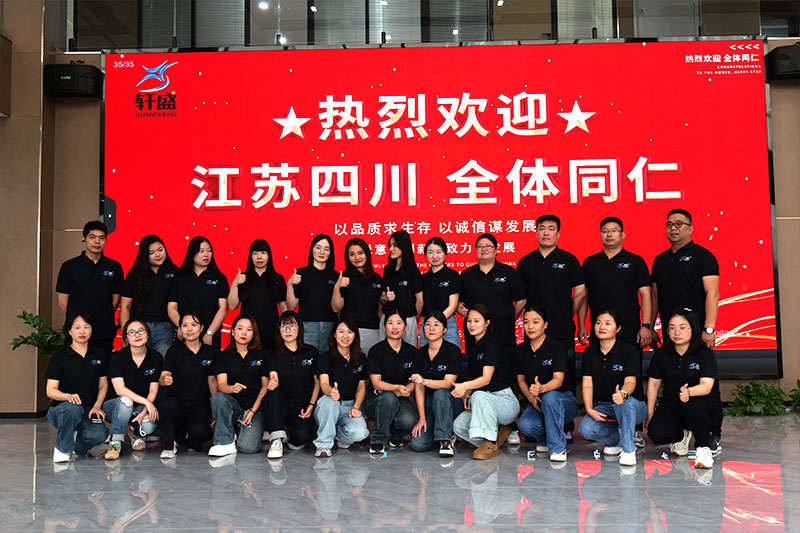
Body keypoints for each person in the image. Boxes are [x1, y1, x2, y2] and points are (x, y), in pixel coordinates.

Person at [651, 208, 722, 452]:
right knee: (674, 382)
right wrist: (650, 325)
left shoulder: (703, 256)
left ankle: (712, 433)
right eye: (669, 224)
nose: (674, 228)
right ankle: (682, 430)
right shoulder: (660, 260)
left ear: (690, 228)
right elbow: (655, 297)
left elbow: (712, 293)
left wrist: (709, 328)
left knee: (707, 383)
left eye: (679, 224)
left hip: (698, 333)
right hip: (673, 334)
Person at [579, 217, 653, 448]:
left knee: (632, 380)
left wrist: (647, 325)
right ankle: (611, 424)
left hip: (630, 331)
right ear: (600, 235)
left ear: (623, 234)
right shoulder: (590, 263)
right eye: (605, 231)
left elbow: (646, 295)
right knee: (601, 376)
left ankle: (635, 431)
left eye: (614, 231)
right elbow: (584, 296)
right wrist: (581, 324)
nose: (609, 235)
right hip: (600, 330)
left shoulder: (635, 261)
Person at [646, 309, 718, 469]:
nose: (677, 332)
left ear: (693, 329)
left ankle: (703, 448)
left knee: (695, 406)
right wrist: (650, 415)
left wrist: (690, 392)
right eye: (672, 328)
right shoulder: (661, 354)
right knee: (656, 433)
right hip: (671, 403)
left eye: (682, 327)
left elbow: (707, 386)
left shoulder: (704, 353)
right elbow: (653, 384)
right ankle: (681, 436)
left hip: (698, 403)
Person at [578, 310, 648, 466]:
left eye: (608, 323)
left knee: (624, 403)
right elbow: (587, 384)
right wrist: (589, 409)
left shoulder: (628, 351)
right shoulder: (590, 352)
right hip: (606, 406)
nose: (602, 327)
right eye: (598, 323)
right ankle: (617, 440)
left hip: (633, 405)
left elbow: (630, 381)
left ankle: (628, 450)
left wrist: (623, 394)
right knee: (586, 428)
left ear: (618, 328)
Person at [452, 305, 520, 460]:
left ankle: (489, 442)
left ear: (487, 323)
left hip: (504, 402)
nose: (472, 325)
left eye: (477, 321)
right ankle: (495, 440)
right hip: (486, 401)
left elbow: (486, 379)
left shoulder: (491, 344)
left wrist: (464, 386)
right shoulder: (474, 347)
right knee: (459, 426)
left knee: (479, 396)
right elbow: (476, 380)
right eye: (469, 321)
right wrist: (466, 393)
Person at [515, 306, 577, 462]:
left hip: (563, 400)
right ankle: (545, 441)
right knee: (526, 425)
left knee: (550, 397)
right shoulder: (521, 349)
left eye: (536, 322)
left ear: (545, 325)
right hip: (538, 401)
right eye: (526, 322)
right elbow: (521, 379)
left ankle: (558, 449)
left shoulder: (556, 347)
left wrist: (542, 388)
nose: (530, 326)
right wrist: (531, 398)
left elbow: (558, 380)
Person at [45, 313, 109, 462]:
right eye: (77, 327)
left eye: (86, 327)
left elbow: (103, 384)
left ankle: (76, 445)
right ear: (69, 331)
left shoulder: (99, 354)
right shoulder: (59, 356)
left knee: (99, 436)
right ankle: (62, 449)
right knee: (73, 409)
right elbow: (50, 390)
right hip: (62, 409)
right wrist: (67, 396)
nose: (82, 331)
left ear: (91, 330)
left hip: (88, 409)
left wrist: (97, 405)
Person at [56, 220, 124, 357]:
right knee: (75, 365)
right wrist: (78, 322)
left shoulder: (114, 267)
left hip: (104, 329)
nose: (97, 242)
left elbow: (116, 299)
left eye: (101, 238)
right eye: (92, 237)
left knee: (103, 366)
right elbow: (63, 301)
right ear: (84, 238)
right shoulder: (69, 267)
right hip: (77, 331)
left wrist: (102, 314)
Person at [158, 312, 218, 459]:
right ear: (180, 329)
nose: (189, 329)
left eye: (194, 325)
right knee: (168, 404)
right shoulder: (173, 351)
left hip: (200, 404)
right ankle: (169, 445)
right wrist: (164, 380)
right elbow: (163, 376)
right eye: (185, 325)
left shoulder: (210, 352)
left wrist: (215, 408)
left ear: (201, 328)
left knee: (199, 434)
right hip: (178, 404)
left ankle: (186, 437)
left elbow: (212, 380)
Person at [263, 311, 321, 458]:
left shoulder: (311, 352)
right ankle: (276, 440)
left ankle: (288, 433)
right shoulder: (273, 354)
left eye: (291, 326)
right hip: (280, 407)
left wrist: (311, 405)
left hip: (302, 408)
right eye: (283, 327)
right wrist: (272, 382)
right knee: (272, 394)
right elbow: (273, 377)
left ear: (299, 328)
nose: (287, 330)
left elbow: (317, 382)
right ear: (279, 331)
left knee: (302, 439)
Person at [208, 315, 268, 457]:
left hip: (255, 408)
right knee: (218, 397)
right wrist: (232, 388)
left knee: (247, 448)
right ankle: (225, 442)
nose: (244, 333)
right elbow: (221, 385)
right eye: (240, 329)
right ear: (233, 332)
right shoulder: (224, 355)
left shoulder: (261, 354)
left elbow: (265, 386)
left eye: (249, 330)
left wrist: (252, 411)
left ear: (253, 334)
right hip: (233, 407)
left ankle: (246, 431)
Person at [102, 319, 162, 460]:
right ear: (126, 338)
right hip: (116, 406)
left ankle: (135, 435)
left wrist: (144, 411)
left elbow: (153, 390)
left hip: (139, 407)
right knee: (126, 401)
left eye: (141, 331)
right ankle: (115, 441)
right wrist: (147, 403)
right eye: (132, 332)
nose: (137, 335)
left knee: (149, 426)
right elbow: (120, 390)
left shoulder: (155, 357)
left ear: (148, 334)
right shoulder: (117, 357)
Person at [313, 316, 369, 457]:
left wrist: (356, 407)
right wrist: (331, 392)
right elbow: (323, 383)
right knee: (330, 402)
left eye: (350, 332)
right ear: (334, 334)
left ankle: (338, 436)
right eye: (341, 331)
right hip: (328, 406)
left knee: (360, 433)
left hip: (349, 407)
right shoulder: (325, 357)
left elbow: (361, 387)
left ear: (355, 335)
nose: (345, 336)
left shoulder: (360, 358)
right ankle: (323, 445)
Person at [409, 310, 463, 456]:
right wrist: (422, 418)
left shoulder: (452, 351)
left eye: (436, 324)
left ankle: (445, 440)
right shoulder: (419, 354)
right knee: (418, 445)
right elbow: (418, 387)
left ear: (445, 329)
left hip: (449, 402)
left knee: (441, 393)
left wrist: (425, 381)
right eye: (427, 324)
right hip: (429, 404)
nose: (431, 328)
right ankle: (441, 433)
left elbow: (447, 384)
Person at [364, 309, 418, 454]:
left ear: (405, 327)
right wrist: (396, 389)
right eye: (390, 323)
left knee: (408, 420)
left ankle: (396, 436)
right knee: (388, 397)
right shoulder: (376, 351)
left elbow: (416, 380)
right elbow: (376, 383)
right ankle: (378, 441)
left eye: (399, 323)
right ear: (384, 327)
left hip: (401, 397)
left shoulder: (412, 352)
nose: (395, 327)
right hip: (376, 399)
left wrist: (406, 390)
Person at [119, 235, 179, 357]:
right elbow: (125, 306)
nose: (158, 255)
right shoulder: (135, 274)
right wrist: (126, 332)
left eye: (160, 250)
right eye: (152, 252)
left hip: (165, 328)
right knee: (139, 363)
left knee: (163, 363)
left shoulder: (175, 272)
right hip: (139, 327)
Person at [168, 236, 229, 351]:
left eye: (209, 250)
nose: (206, 254)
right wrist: (181, 326)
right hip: (185, 332)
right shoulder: (179, 278)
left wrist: (210, 333)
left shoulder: (219, 278)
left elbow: (223, 308)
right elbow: (171, 307)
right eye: (201, 251)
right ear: (192, 253)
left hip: (210, 330)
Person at [228, 239, 288, 350]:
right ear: (250, 257)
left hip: (271, 333)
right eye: (255, 253)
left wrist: (285, 328)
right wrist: (235, 284)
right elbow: (232, 306)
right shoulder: (243, 278)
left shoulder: (278, 279)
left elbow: (283, 307)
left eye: (263, 253)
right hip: (247, 334)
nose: (259, 257)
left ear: (269, 256)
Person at [286, 234, 338, 352]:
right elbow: (292, 306)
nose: (322, 252)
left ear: (330, 253)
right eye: (318, 247)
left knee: (327, 361)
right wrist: (290, 285)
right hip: (306, 326)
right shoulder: (301, 273)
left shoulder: (335, 276)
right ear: (312, 249)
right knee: (306, 360)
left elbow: (337, 308)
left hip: (330, 326)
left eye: (326, 249)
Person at [331, 238, 384, 354]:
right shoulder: (344, 277)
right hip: (349, 331)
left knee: (371, 363)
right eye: (352, 254)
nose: (357, 258)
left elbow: (380, 307)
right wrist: (337, 287)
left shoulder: (377, 278)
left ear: (367, 254)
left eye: (360, 253)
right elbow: (336, 308)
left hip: (372, 330)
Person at [382, 230, 423, 345]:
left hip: (408, 321)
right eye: (390, 245)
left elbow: (420, 302)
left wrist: (411, 321)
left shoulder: (413, 271)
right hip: (388, 320)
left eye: (395, 245)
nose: (391, 249)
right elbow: (382, 298)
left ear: (403, 246)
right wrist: (385, 298)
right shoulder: (388, 269)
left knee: (408, 353)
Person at [420, 237, 461, 347]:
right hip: (427, 325)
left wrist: (437, 322)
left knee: (451, 355)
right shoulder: (422, 278)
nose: (434, 256)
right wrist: (430, 324)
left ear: (445, 254)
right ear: (425, 254)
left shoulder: (452, 275)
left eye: (438, 252)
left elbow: (453, 305)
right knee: (426, 356)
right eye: (430, 252)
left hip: (448, 323)